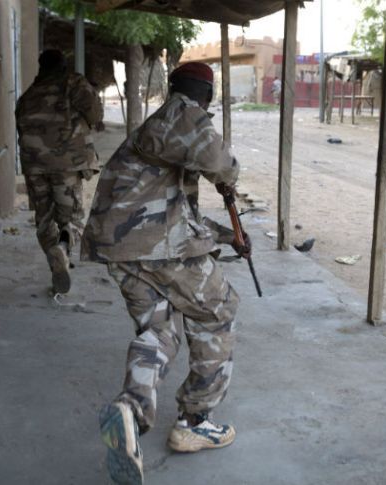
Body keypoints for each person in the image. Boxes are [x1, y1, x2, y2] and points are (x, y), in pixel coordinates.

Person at [81, 62, 251, 485]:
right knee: (219, 311)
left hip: (121, 247)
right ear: (207, 95)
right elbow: (225, 165)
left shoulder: (160, 128)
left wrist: (227, 236)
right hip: (156, 246)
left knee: (159, 333)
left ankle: (130, 409)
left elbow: (179, 211)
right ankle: (195, 421)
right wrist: (227, 182)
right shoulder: (184, 115)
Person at [15, 49, 104, 294]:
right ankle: (63, 251)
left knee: (44, 218)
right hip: (67, 163)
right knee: (72, 218)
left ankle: (56, 263)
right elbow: (95, 113)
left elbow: (20, 127)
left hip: (34, 164)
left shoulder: (29, 94)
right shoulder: (73, 82)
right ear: (63, 65)